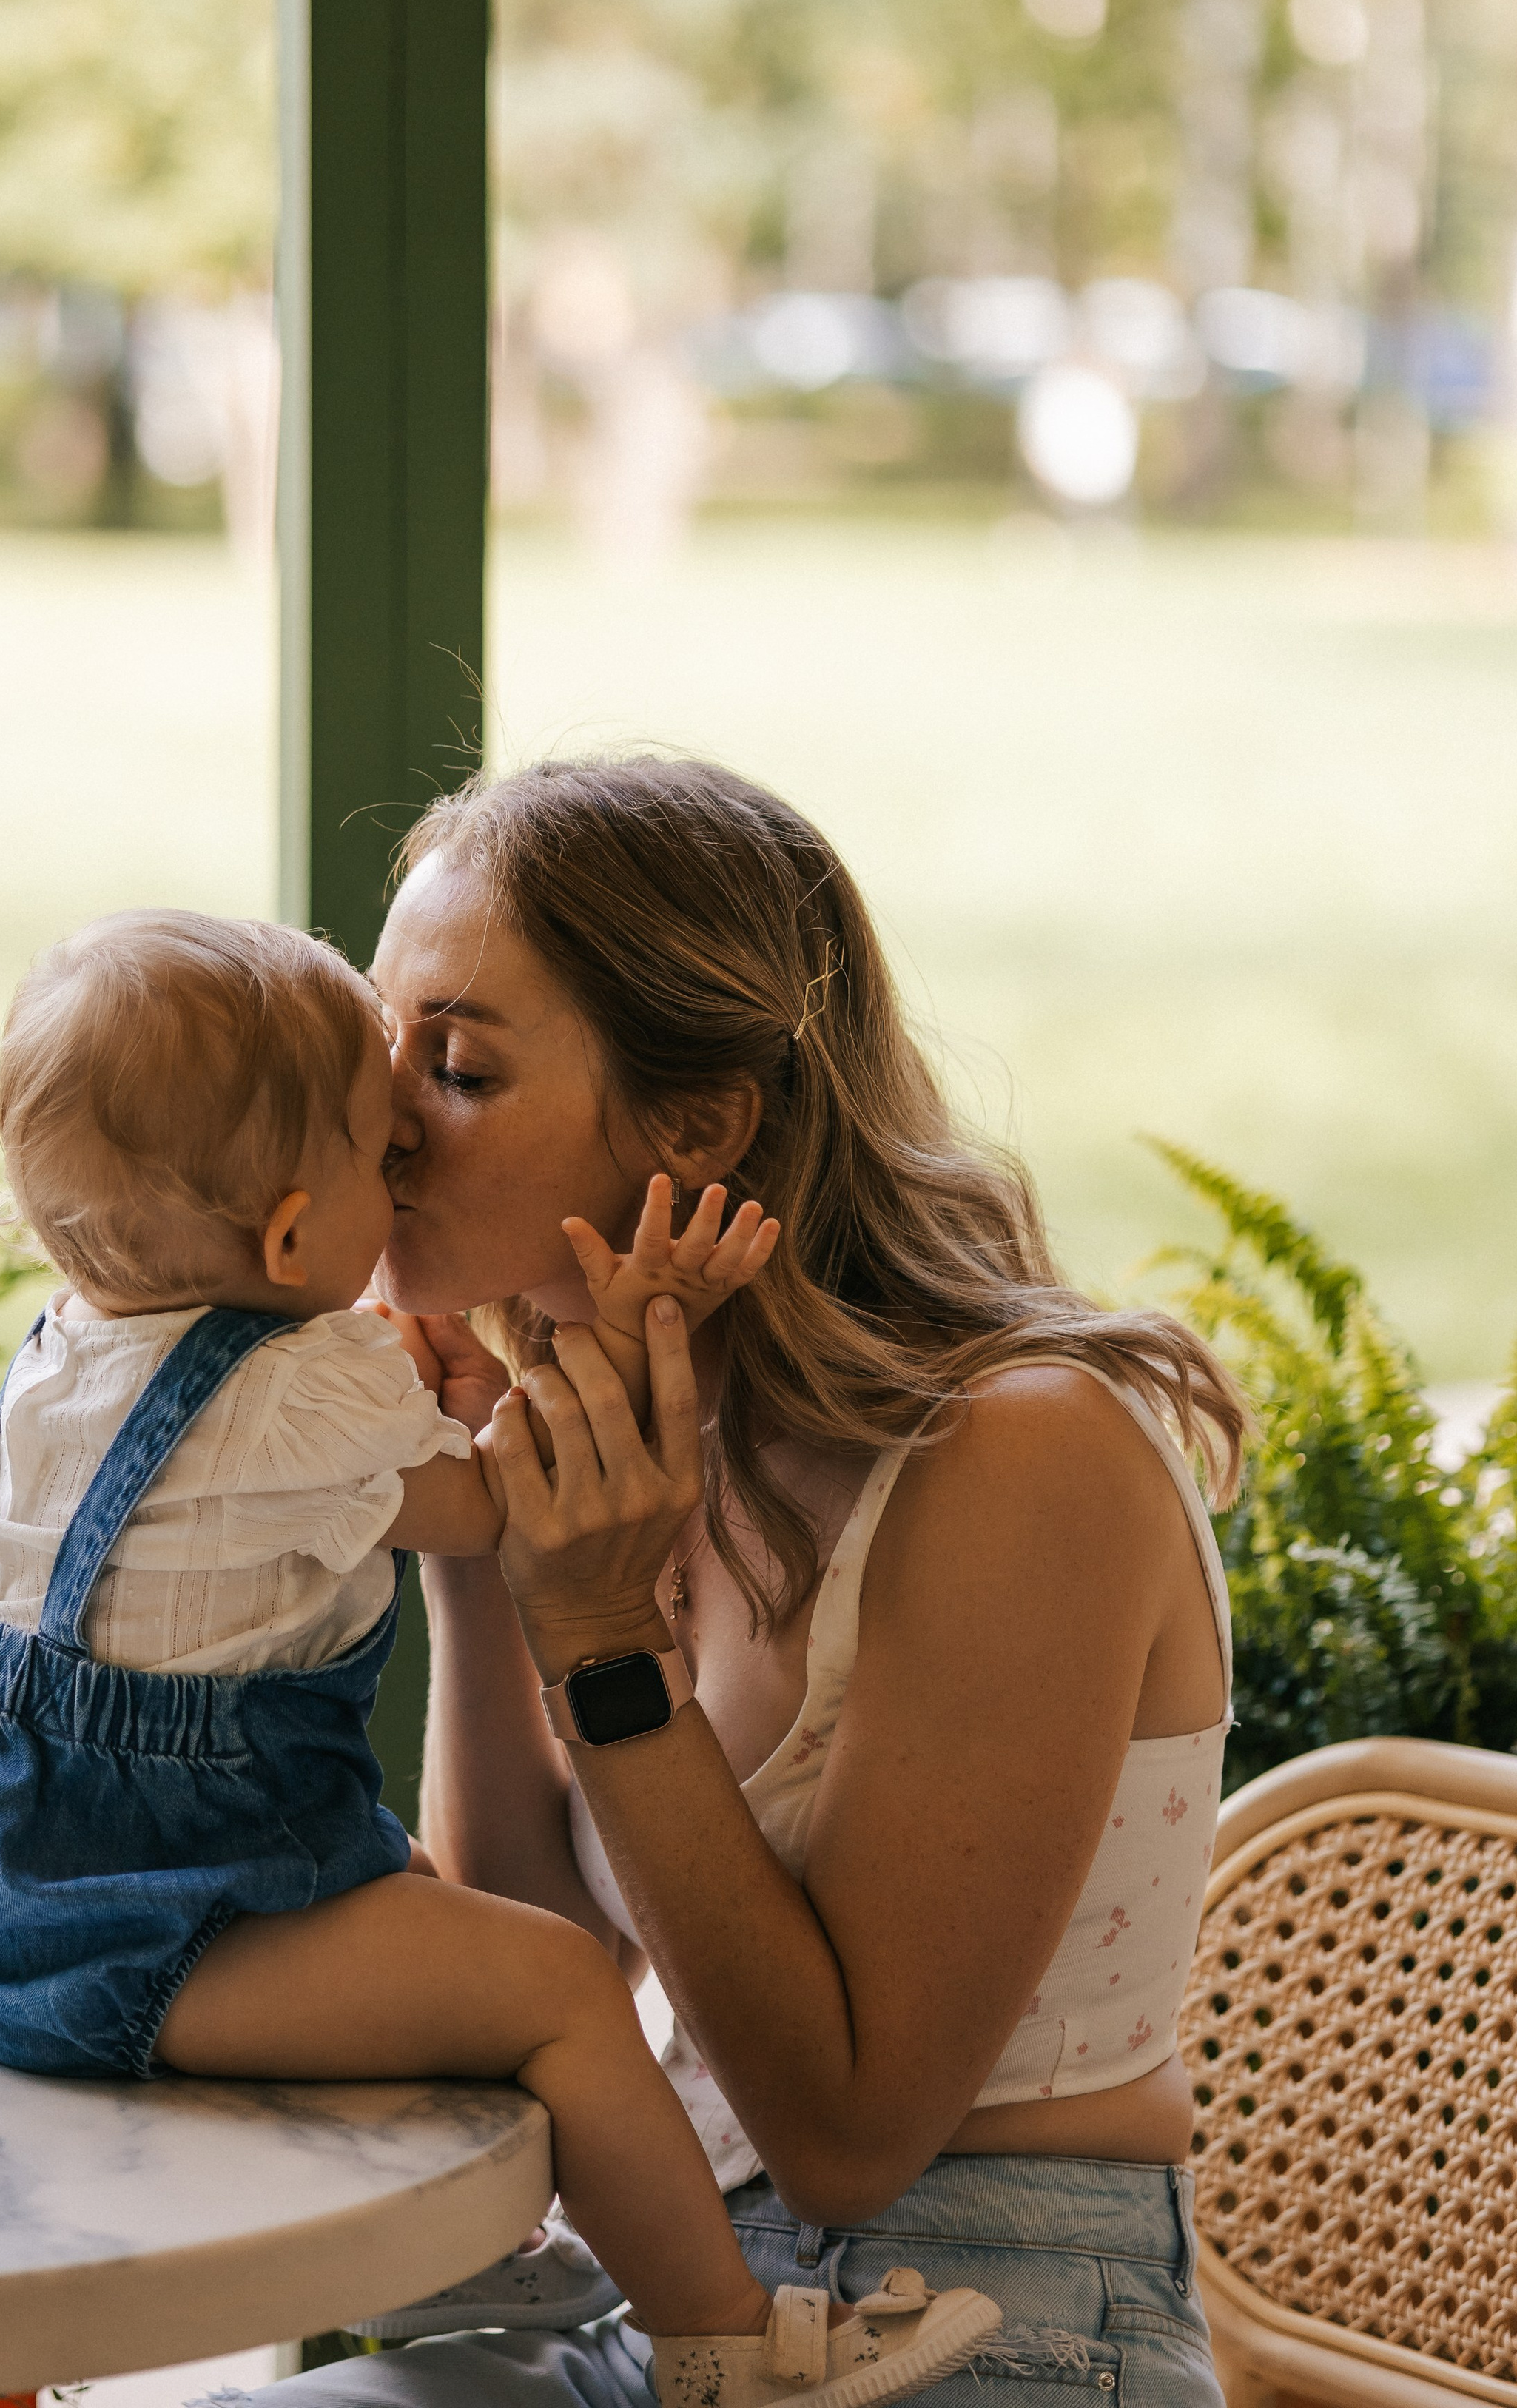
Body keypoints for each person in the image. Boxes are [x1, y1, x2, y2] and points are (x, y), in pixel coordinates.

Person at [0, 908, 1000, 2408]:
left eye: (450, 1079)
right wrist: (602, 1351)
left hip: (2, 1912)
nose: (404, 1149)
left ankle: (464, 2251)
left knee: (409, 1903)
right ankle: (732, 2349)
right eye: (378, 1134)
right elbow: (502, 1515)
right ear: (291, 1236)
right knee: (545, 1986)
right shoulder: (306, 1393)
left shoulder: (66, 1359)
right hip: (162, 1931)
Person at [282, 753, 1241, 2408]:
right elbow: (534, 1959)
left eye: (451, 1066)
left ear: (699, 1124)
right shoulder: (645, 1436)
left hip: (987, 2317)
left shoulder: (1019, 1451)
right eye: (380, 1058)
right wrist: (477, 1557)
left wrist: (595, 1642)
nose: (380, 1125)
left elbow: (851, 2135)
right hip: (692, 2306)